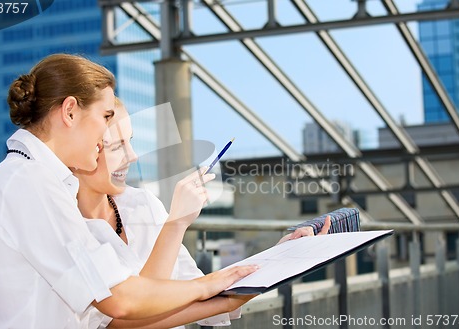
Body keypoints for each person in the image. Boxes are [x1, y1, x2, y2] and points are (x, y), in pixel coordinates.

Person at [0, 53, 258, 329]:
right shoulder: (28, 183)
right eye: (106, 116)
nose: (104, 136)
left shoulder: (34, 179)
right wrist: (210, 284)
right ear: (70, 111)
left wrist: (235, 287)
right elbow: (119, 302)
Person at [73, 99, 332, 328]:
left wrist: (279, 258)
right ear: (81, 148)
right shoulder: (64, 224)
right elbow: (131, 317)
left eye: (130, 142)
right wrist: (176, 223)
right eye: (117, 146)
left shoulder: (143, 203)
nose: (133, 156)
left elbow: (200, 289)